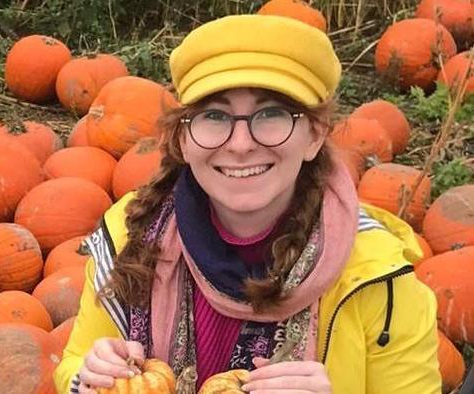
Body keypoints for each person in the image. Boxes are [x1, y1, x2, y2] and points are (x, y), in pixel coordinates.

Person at [54, 14, 441, 394]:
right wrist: (88, 378)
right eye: (214, 116)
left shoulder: (378, 275)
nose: (240, 144)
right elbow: (74, 363)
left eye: (270, 114)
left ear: (314, 134)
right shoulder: (130, 234)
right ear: (183, 139)